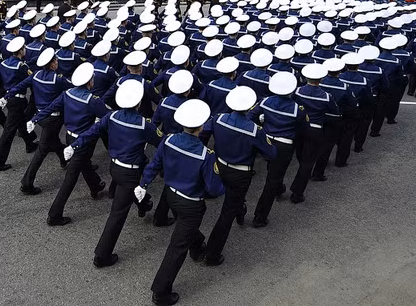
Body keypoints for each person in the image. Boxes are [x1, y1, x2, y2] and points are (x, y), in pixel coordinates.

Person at [68, 80, 162, 268]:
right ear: (138, 102)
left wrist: (74, 145)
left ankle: (144, 205)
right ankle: (102, 255)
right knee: (117, 214)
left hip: (115, 168)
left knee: (129, 194)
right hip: (131, 172)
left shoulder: (112, 116)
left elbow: (92, 131)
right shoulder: (143, 124)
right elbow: (160, 142)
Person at [137, 99, 220, 306]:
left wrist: (143, 184)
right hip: (191, 202)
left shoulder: (168, 140)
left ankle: (198, 246)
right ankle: (161, 291)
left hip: (171, 196)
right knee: (177, 246)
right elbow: (214, 189)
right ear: (200, 127)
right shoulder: (205, 154)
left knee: (186, 229)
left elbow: (155, 164)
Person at [203, 86, 275, 264]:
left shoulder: (218, 119)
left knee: (230, 203)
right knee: (226, 213)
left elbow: (203, 133)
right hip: (240, 173)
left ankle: (239, 209)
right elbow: (271, 154)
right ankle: (212, 254)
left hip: (219, 166)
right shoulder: (254, 130)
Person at [40, 63, 107, 226]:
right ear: (90, 81)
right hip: (82, 141)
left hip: (70, 137)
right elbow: (107, 117)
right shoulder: (92, 99)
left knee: (84, 164)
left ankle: (95, 185)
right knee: (70, 178)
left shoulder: (68, 93)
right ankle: (54, 214)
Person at [5, 48, 72, 195]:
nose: (57, 62)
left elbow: (20, 86)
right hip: (53, 118)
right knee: (42, 150)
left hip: (40, 116)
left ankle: (63, 158)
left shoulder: (35, 75)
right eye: (56, 60)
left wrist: (7, 95)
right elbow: (73, 89)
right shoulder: (58, 78)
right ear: (52, 64)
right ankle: (26, 182)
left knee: (52, 141)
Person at [249, 72, 304, 227]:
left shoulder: (265, 101)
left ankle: (279, 188)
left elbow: (251, 116)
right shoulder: (296, 109)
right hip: (284, 145)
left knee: (273, 170)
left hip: (265, 140)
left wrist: (261, 128)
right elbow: (302, 129)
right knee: (272, 180)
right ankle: (259, 217)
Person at [290, 64, 339, 203]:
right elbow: (335, 114)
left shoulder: (298, 91)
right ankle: (297, 193)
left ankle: (299, 181)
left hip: (299, 127)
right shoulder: (326, 96)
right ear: (321, 79)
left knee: (301, 156)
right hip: (315, 129)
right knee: (308, 162)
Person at [0, 37, 38, 171]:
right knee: (8, 132)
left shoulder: (4, 63)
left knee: (21, 121)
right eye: (24, 48)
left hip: (9, 98)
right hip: (17, 99)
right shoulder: (22, 67)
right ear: (20, 51)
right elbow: (30, 80)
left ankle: (29, 143)